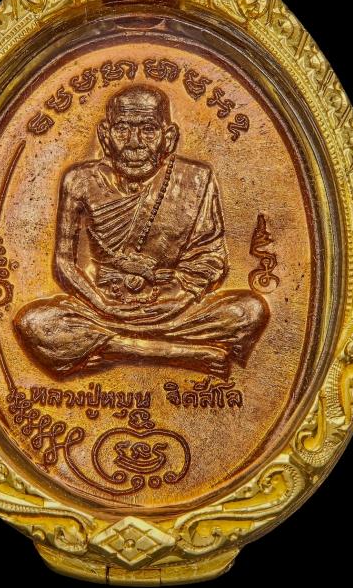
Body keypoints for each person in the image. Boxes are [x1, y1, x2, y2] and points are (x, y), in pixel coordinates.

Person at [14, 85, 268, 377]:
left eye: (148, 130)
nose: (134, 143)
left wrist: (178, 299)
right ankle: (179, 353)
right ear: (105, 136)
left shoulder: (196, 179)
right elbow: (63, 264)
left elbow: (210, 257)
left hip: (171, 307)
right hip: (101, 308)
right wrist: (102, 304)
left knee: (249, 311)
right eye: (122, 129)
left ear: (168, 137)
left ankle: (114, 348)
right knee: (36, 323)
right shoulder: (80, 181)